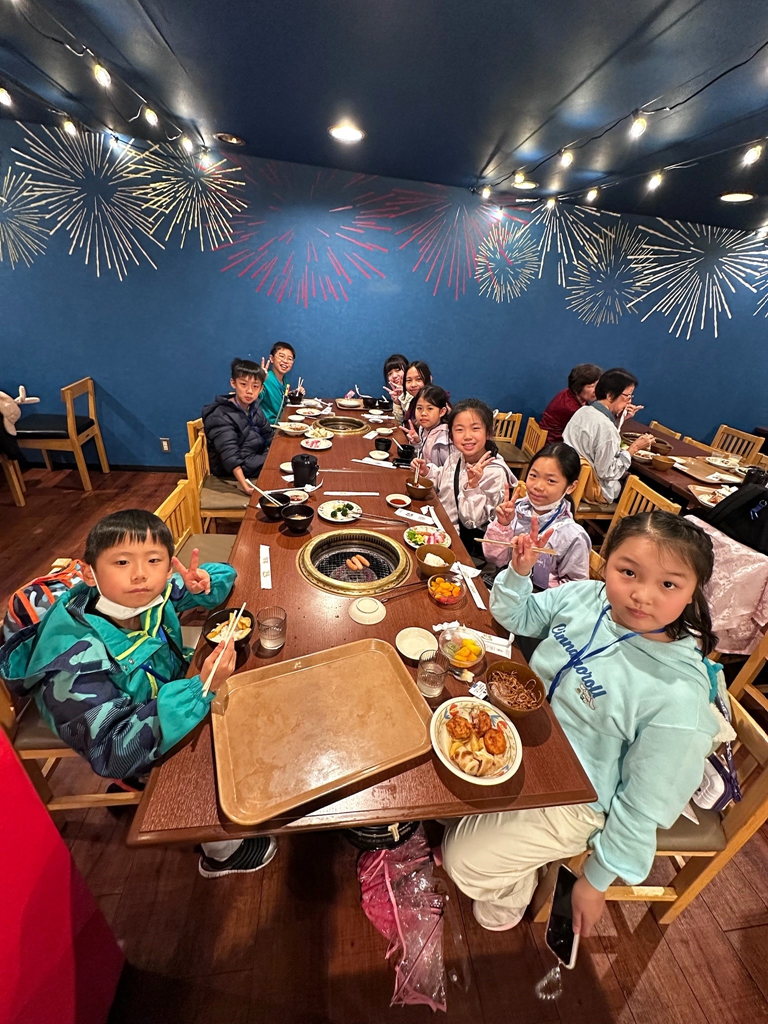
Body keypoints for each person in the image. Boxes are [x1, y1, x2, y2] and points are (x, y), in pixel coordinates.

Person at [442, 511, 721, 934]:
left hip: (579, 800)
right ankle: (508, 848)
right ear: (606, 562)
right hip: (527, 736)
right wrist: (519, 572)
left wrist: (596, 878)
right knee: (441, 776)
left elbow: (645, 804)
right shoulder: (588, 597)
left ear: (692, 592)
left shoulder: (680, 696)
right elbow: (518, 616)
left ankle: (511, 894)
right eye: (628, 572)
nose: (641, 595)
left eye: (668, 584)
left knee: (461, 859)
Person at [0, 509, 276, 878]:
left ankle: (138, 782)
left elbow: (218, 578)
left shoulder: (140, 597)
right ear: (88, 573)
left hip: (161, 699)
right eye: (122, 562)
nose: (140, 574)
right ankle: (221, 852)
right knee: (222, 750)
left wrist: (205, 583)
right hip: (139, 731)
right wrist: (201, 688)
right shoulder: (72, 662)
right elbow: (112, 749)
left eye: (154, 560)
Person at [412, 399, 516, 557]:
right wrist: (427, 471)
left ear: (488, 432)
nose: (467, 436)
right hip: (439, 528)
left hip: (459, 546)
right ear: (451, 434)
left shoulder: (495, 473)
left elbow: (472, 521)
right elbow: (444, 482)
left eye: (475, 428)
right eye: (459, 429)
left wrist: (472, 486)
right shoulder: (456, 457)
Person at [482, 442, 590, 587]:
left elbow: (576, 589)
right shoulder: (515, 509)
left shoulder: (573, 536)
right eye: (533, 475)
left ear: (571, 487)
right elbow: (494, 559)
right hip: (502, 585)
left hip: (539, 598)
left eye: (551, 481)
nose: (538, 486)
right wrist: (503, 525)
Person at [563, 368, 654, 502]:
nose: (629, 402)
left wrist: (620, 419)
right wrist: (633, 448)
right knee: (643, 488)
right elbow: (607, 473)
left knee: (628, 475)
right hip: (592, 488)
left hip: (570, 477)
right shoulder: (606, 428)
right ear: (610, 395)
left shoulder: (583, 411)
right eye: (627, 396)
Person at [202, 358, 274, 494]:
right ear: (233, 383)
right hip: (236, 467)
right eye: (243, 384)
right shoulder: (221, 415)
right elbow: (230, 457)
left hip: (255, 456)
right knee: (281, 466)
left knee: (289, 459)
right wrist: (246, 487)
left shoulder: (254, 407)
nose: (249, 391)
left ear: (261, 389)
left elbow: (268, 434)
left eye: (255, 386)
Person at [540, 363, 603, 444]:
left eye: (597, 385)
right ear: (578, 386)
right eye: (591, 386)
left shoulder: (567, 392)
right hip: (553, 443)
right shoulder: (572, 409)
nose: (595, 390)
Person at [406, 384, 450, 466]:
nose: (423, 413)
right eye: (419, 408)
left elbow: (450, 470)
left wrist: (427, 470)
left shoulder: (445, 439)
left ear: (442, 412)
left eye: (429, 408)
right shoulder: (423, 428)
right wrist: (417, 443)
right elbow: (423, 456)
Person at [259, 341, 299, 425]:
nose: (285, 361)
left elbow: (282, 398)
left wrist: (294, 393)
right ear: (271, 358)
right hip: (269, 427)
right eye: (281, 356)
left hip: (282, 423)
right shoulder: (266, 378)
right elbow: (256, 397)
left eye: (289, 359)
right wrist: (258, 382)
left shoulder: (285, 381)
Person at [401, 361, 434, 433]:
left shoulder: (436, 402)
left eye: (419, 379)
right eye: (409, 380)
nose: (413, 384)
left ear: (429, 379)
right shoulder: (413, 401)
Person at [382, 353, 410, 424]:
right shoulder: (398, 394)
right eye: (390, 374)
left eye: (398, 370)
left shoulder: (416, 391)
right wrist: (397, 403)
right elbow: (398, 423)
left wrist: (405, 397)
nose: (394, 376)